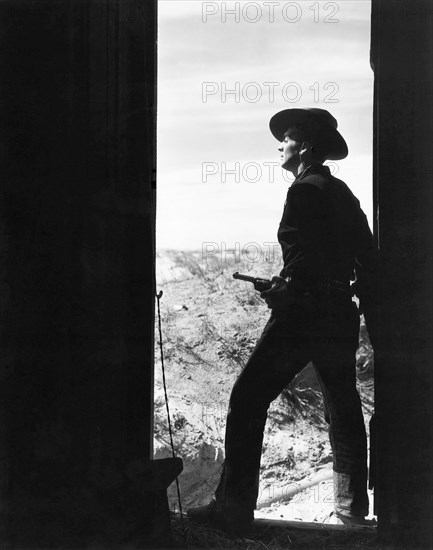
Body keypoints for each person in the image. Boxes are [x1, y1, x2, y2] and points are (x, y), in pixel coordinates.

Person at [187, 108, 378, 535]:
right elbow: (361, 256)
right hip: (338, 313)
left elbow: (306, 265)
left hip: (304, 313)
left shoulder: (302, 191)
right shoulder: (343, 192)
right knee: (342, 405)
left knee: (248, 397)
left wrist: (285, 290)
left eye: (288, 137)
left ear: (305, 145)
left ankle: (233, 510)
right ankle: (352, 512)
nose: (281, 144)